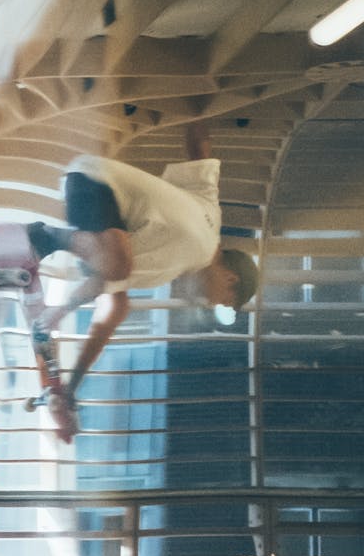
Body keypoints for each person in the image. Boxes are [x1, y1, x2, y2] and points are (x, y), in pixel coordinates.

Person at [27, 120, 260, 408]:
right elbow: (104, 279)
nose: (209, 303)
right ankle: (45, 237)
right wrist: (58, 312)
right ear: (230, 279)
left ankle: (72, 385)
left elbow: (200, 150)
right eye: (222, 302)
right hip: (93, 189)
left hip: (90, 179)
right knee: (117, 268)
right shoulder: (181, 258)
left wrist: (197, 107)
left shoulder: (211, 214)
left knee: (118, 298)